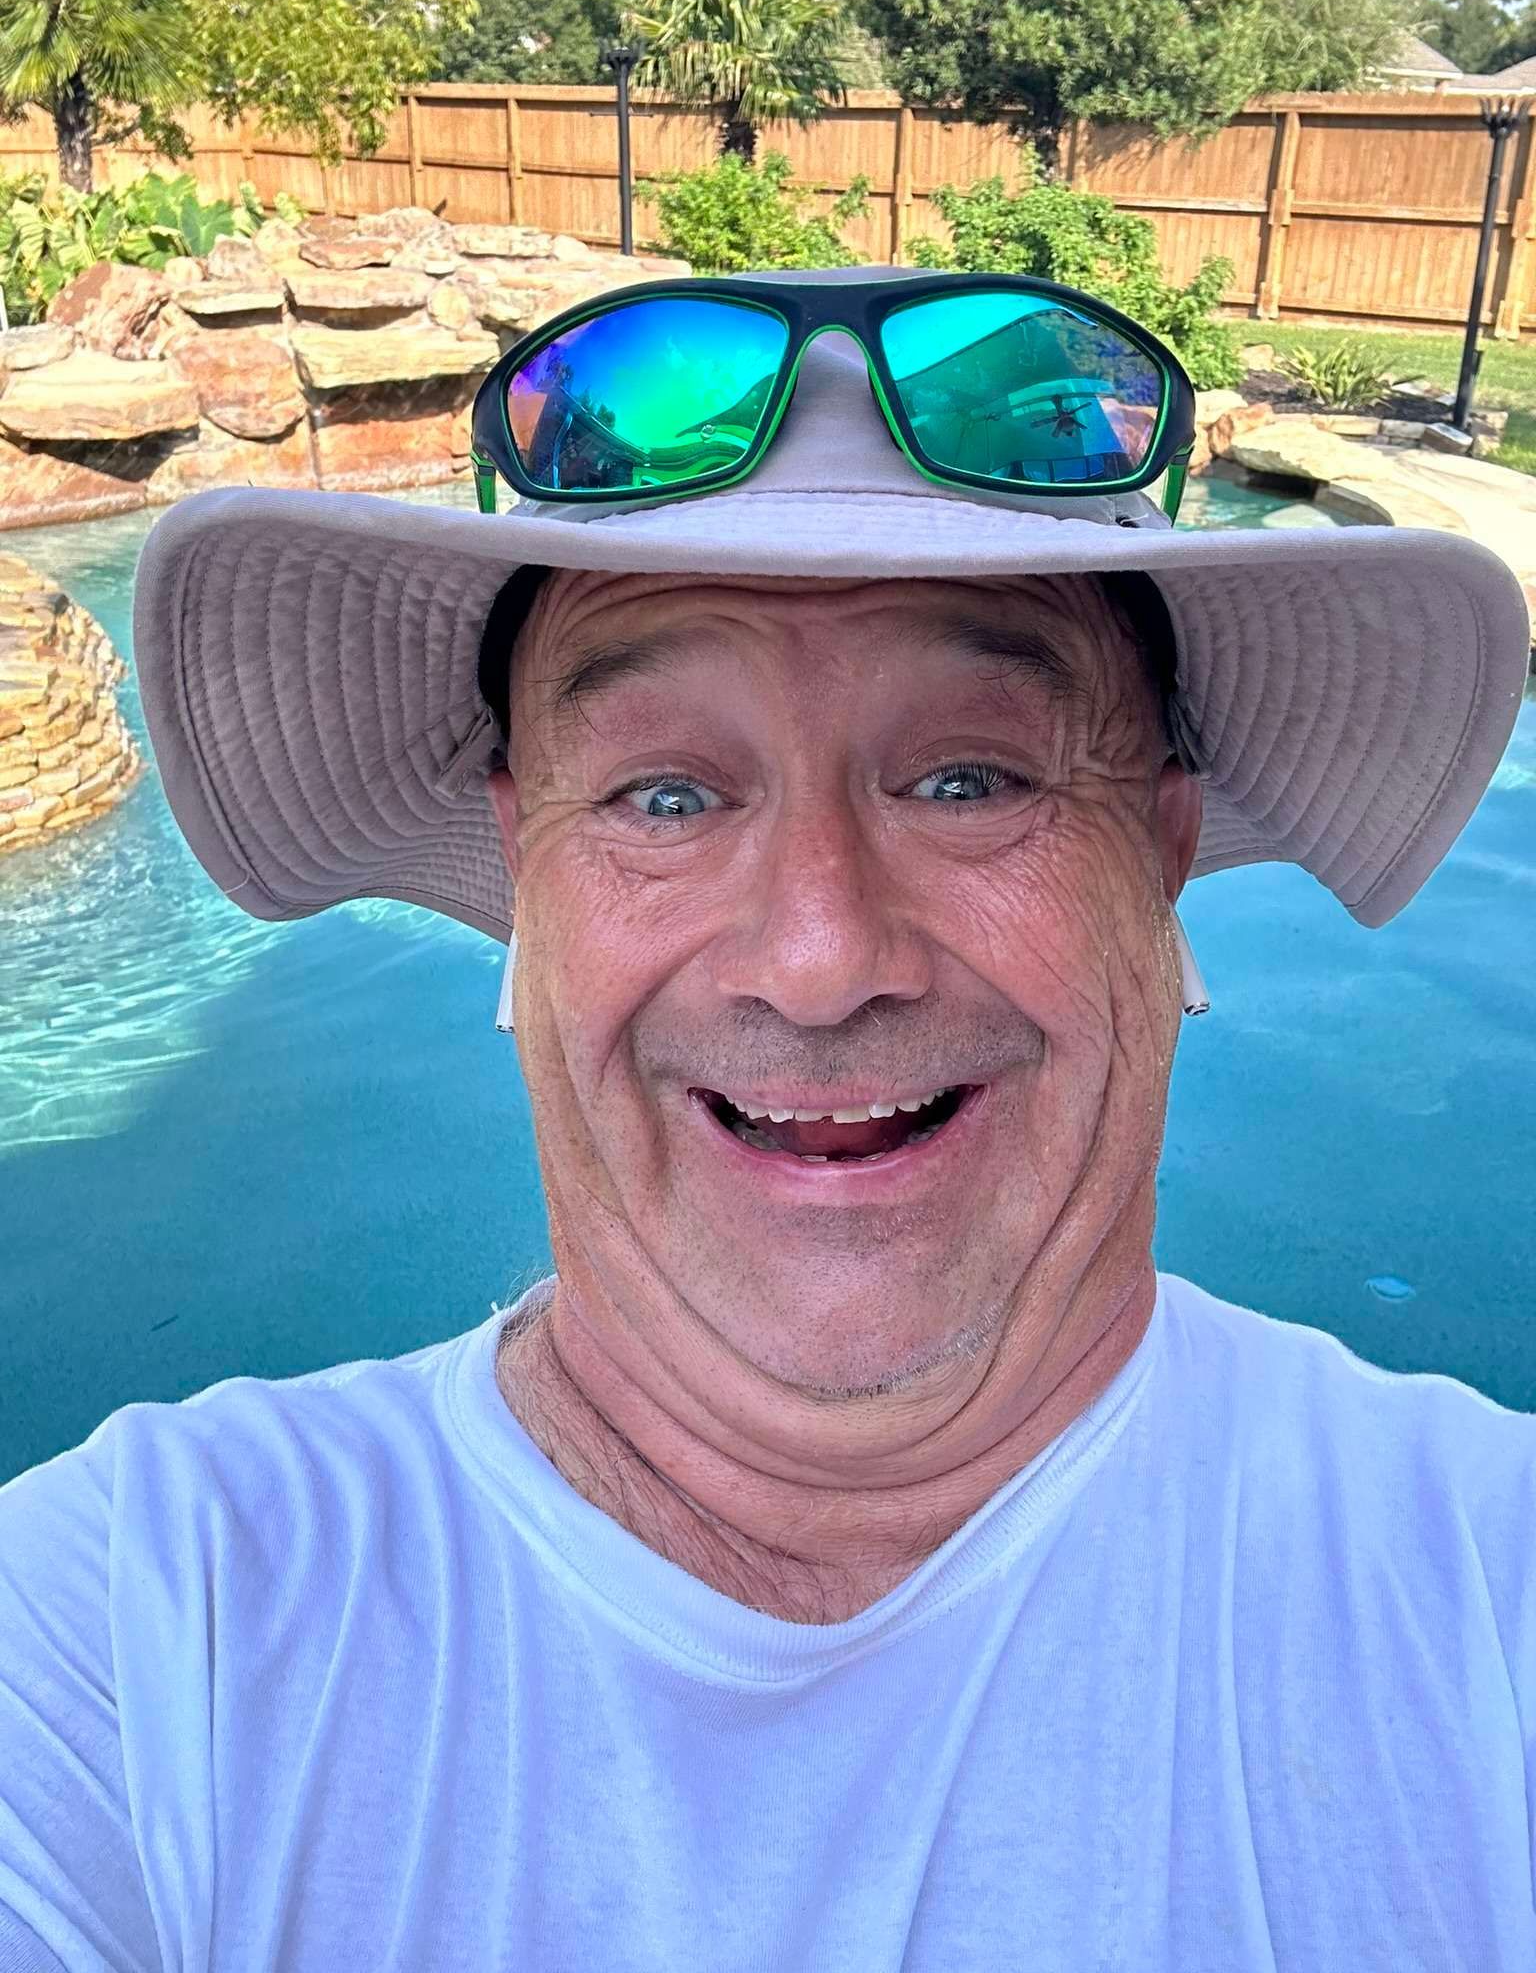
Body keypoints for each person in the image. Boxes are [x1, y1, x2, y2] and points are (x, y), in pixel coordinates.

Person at [0, 266, 1532, 1971]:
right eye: (665, 794)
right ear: (522, 866)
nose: (818, 962)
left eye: (970, 778)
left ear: (1161, 857)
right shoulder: (140, 1630)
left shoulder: (1489, 1593)